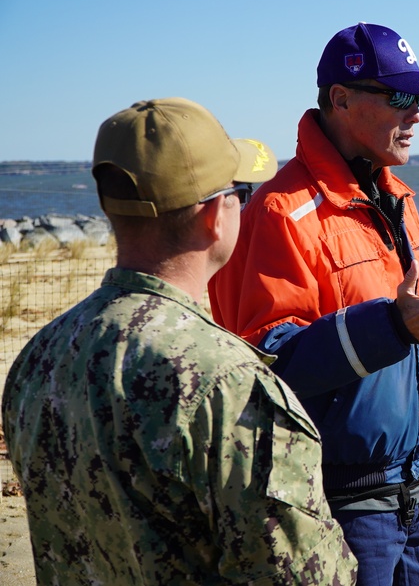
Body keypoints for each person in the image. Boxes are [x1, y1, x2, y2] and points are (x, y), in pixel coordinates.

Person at [209, 22, 419, 586]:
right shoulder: (279, 211)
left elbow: (417, 311)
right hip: (338, 501)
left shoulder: (396, 194)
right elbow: (270, 365)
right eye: (400, 97)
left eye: (418, 99)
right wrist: (394, 325)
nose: (416, 113)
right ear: (340, 99)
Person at [1, 97, 357, 585]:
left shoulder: (38, 357)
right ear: (214, 215)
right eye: (242, 193)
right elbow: (303, 576)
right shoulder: (228, 382)